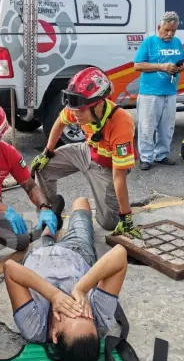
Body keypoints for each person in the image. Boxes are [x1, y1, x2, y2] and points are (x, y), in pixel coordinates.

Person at [3, 197, 128, 361]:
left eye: (72, 314)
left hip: (39, 256)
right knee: (81, 203)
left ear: (54, 335)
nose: (77, 307)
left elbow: (10, 269)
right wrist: (80, 288)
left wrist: (54, 295)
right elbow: (119, 254)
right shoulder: (99, 317)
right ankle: (54, 218)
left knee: (45, 235)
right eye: (86, 315)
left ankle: (52, 221)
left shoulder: (34, 327)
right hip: (76, 252)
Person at [32, 67, 143, 239]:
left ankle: (115, 210)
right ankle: (51, 210)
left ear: (99, 105)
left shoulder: (121, 123)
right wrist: (47, 152)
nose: (76, 115)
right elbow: (59, 123)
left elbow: (119, 177)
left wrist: (126, 216)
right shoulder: (79, 105)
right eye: (74, 110)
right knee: (41, 167)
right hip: (87, 151)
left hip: (108, 165)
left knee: (109, 223)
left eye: (81, 111)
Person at [0, 100, 62, 251]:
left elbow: (30, 185)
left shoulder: (9, 154)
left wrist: (44, 207)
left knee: (21, 241)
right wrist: (4, 208)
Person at [133, 11, 184, 171]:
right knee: (147, 126)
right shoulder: (150, 42)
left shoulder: (177, 42)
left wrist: (181, 67)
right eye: (166, 30)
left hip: (170, 91)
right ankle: (146, 157)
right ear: (159, 27)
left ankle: (161, 155)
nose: (170, 34)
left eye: (173, 30)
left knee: (167, 126)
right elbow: (137, 65)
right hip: (150, 93)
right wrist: (161, 66)